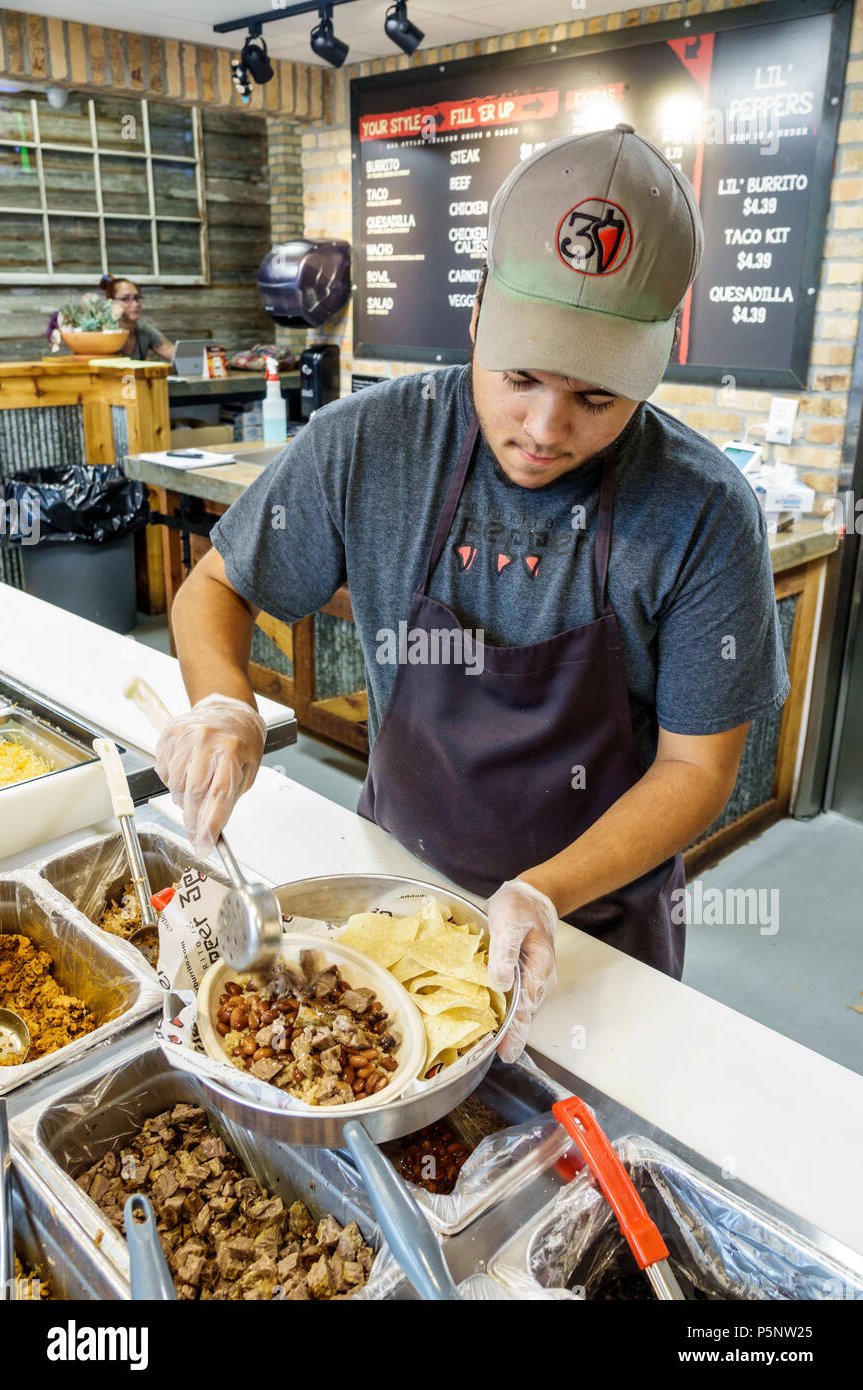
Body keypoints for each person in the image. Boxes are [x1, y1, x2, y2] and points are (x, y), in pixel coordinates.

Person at [154, 126, 789, 1062]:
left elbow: (698, 770)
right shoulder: (371, 444)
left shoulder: (702, 511)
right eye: (521, 376)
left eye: (597, 398)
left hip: (590, 936)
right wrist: (223, 702)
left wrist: (545, 892)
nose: (545, 428)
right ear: (480, 308)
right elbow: (216, 587)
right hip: (391, 890)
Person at [99, 275, 174, 363]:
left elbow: (169, 350)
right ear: (111, 303)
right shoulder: (99, 331)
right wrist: (112, 320)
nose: (135, 304)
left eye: (137, 298)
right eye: (125, 299)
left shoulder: (143, 330)